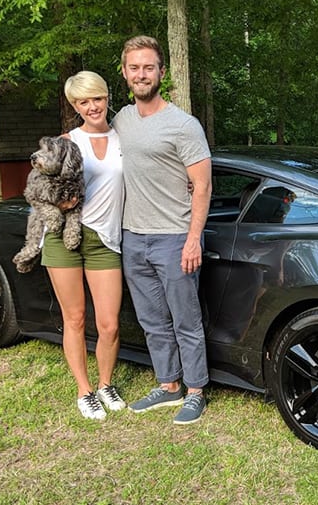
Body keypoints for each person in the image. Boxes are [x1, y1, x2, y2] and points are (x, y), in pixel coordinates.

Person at [112, 35, 212, 425]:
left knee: (185, 319)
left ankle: (196, 391)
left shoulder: (183, 125)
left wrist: (192, 239)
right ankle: (168, 386)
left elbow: (202, 186)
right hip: (133, 236)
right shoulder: (121, 120)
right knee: (152, 320)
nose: (141, 74)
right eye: (134, 67)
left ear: (161, 73)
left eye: (148, 67)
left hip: (174, 238)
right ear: (125, 74)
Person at [41, 70, 126, 420]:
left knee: (109, 324)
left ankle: (105, 383)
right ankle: (85, 390)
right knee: (74, 318)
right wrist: (61, 201)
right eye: (83, 102)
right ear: (75, 106)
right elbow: (41, 194)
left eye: (97, 99)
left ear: (107, 98)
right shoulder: (65, 142)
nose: (92, 107)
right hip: (65, 238)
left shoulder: (125, 138)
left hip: (106, 239)